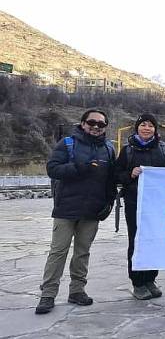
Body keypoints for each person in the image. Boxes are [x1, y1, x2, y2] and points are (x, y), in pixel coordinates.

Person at [36, 109, 117, 314]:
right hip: (66, 209)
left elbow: (110, 180)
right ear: (83, 123)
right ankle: (48, 294)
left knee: (82, 253)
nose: (96, 127)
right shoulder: (67, 144)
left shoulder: (108, 148)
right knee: (58, 252)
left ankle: (77, 290)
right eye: (92, 122)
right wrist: (80, 167)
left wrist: (109, 203)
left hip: (92, 211)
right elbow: (53, 169)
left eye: (101, 124)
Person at [114, 113, 165, 300]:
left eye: (151, 126)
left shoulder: (163, 149)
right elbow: (116, 174)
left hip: (157, 203)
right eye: (143, 125)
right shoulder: (127, 150)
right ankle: (138, 282)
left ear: (155, 129)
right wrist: (130, 174)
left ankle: (150, 278)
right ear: (137, 128)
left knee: (155, 240)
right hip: (134, 202)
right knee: (137, 240)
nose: (147, 128)